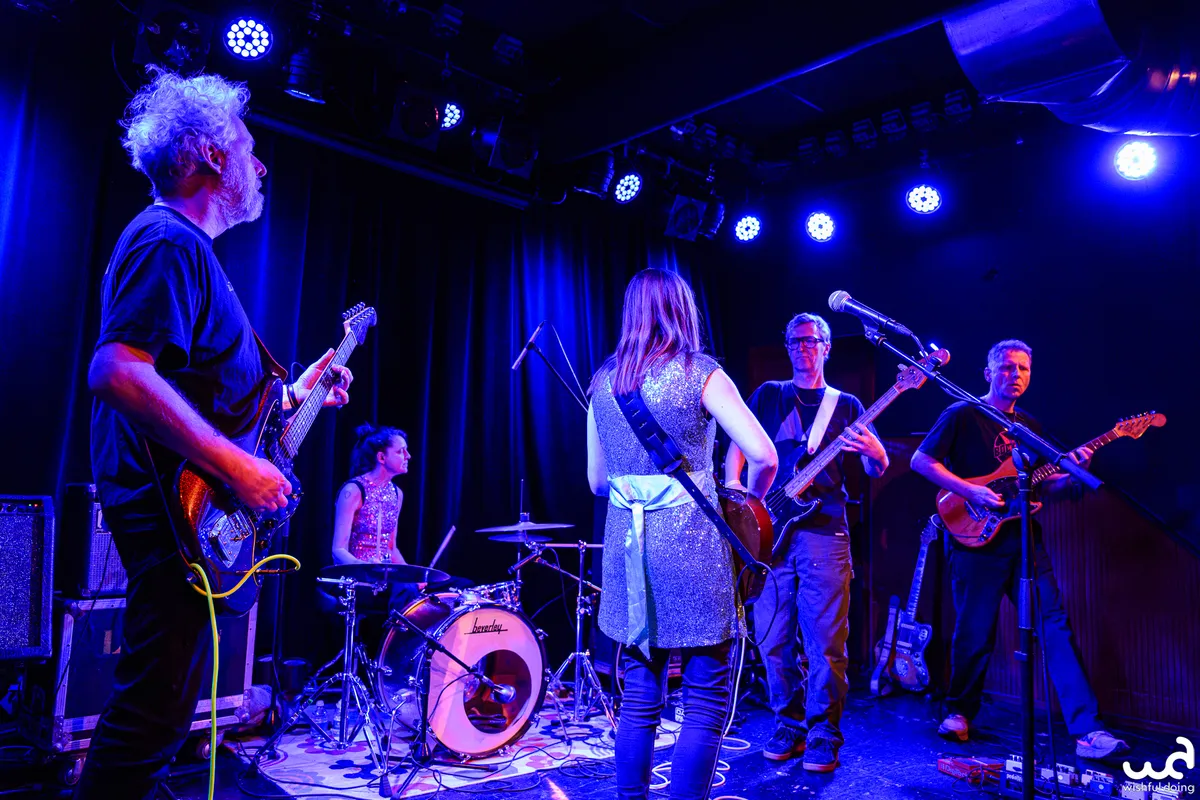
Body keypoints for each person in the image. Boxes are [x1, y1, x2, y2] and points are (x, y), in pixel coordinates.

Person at [83, 67, 353, 799]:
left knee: (163, 710)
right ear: (209, 152)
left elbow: (213, 397)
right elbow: (117, 371)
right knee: (150, 714)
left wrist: (294, 395)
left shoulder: (189, 251)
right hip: (173, 512)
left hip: (190, 514)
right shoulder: (167, 240)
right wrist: (237, 467)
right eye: (248, 147)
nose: (260, 166)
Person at [587, 268, 778, 800]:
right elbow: (764, 455)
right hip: (690, 543)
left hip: (628, 548)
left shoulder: (604, 381)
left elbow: (597, 482)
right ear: (683, 309)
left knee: (639, 697)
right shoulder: (701, 373)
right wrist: (748, 502)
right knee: (705, 699)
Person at [909, 339, 1129, 759]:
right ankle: (958, 712)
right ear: (988, 373)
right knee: (975, 632)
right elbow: (921, 461)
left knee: (1054, 626)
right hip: (975, 539)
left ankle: (1087, 730)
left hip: (1023, 538)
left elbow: (1044, 486)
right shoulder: (963, 413)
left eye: (1024, 369)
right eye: (1007, 367)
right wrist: (970, 489)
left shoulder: (1028, 426)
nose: (1016, 375)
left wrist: (1073, 472)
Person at [724, 312, 888, 772]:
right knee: (771, 637)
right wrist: (736, 493)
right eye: (794, 341)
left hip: (824, 533)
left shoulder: (847, 405)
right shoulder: (768, 395)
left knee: (825, 642)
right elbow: (736, 449)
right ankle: (789, 724)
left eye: (810, 340)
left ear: (827, 346)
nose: (802, 348)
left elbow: (875, 469)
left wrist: (876, 453)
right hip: (768, 533)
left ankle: (823, 732)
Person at [332, 423, 412, 567]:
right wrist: (365, 567)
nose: (408, 456)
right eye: (400, 451)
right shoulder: (354, 490)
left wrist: (415, 574)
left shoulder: (397, 493)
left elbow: (391, 548)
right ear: (381, 457)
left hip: (384, 575)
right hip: (357, 575)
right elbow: (338, 550)